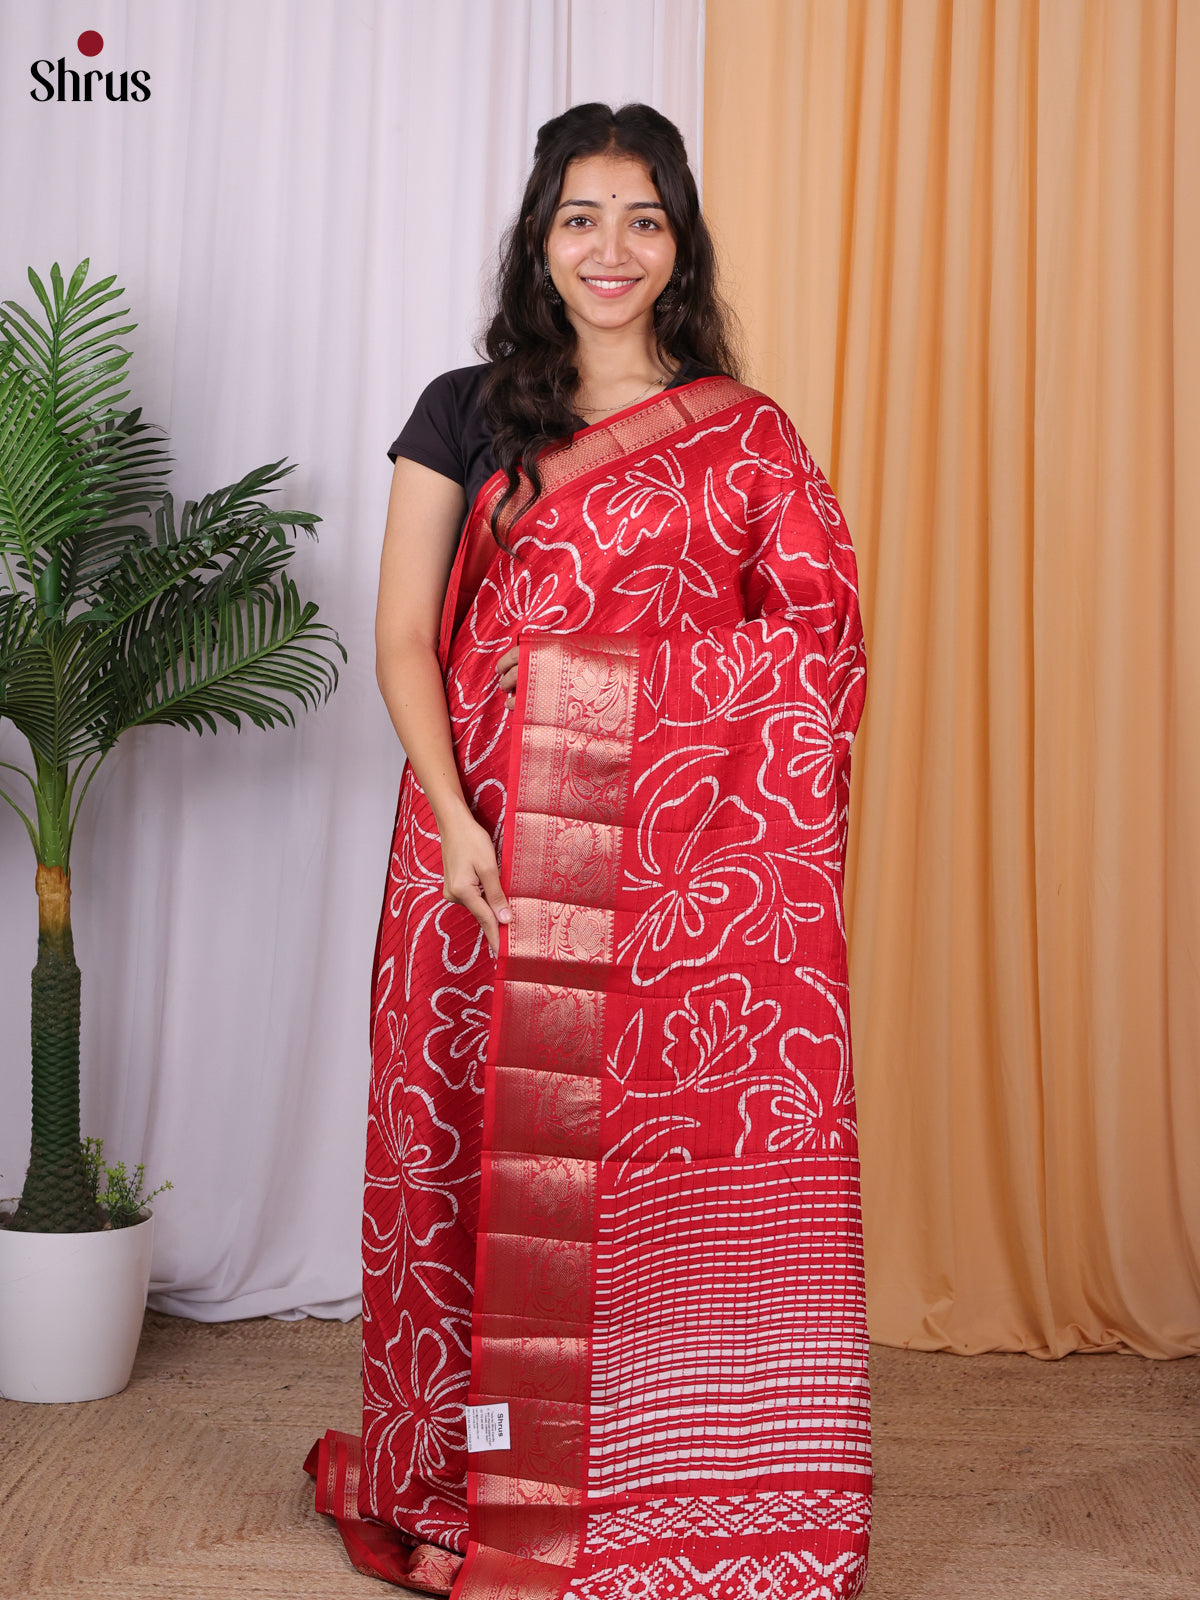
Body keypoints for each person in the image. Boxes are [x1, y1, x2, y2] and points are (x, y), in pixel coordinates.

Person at [308, 101, 871, 1599]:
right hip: (480, 848)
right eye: (579, 217)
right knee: (466, 1152)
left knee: (621, 1177)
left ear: (677, 242)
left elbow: (818, 642)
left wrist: (623, 708)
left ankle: (644, 1489)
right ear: (538, 237)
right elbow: (404, 639)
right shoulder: (466, 409)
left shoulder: (743, 435)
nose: (608, 249)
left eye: (641, 218)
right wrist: (452, 816)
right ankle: (460, 1487)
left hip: (673, 875)